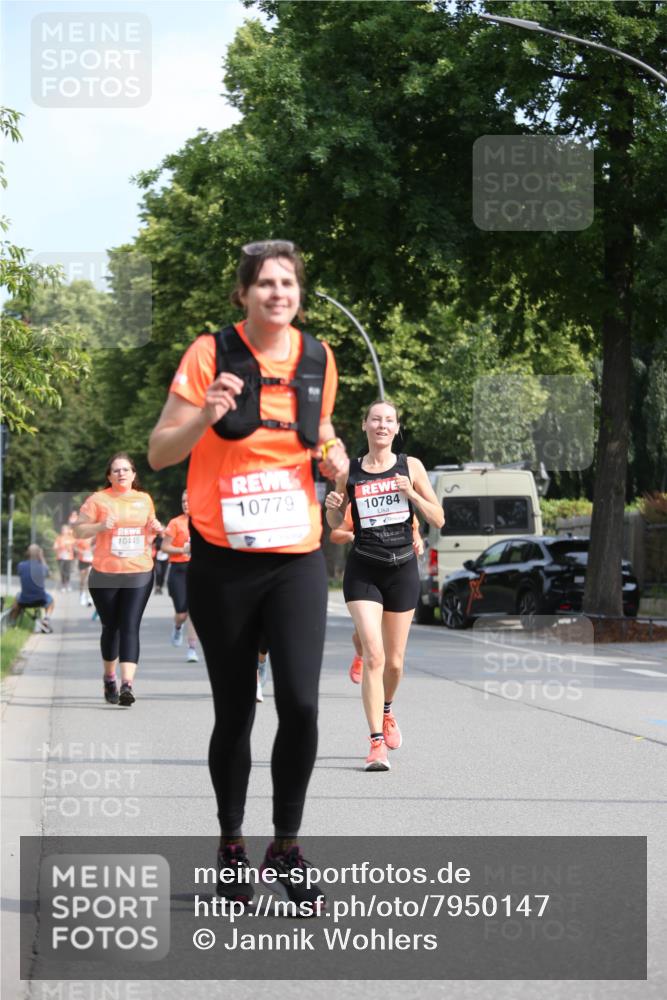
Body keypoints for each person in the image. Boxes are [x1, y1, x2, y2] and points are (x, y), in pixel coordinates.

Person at [148, 239, 348, 910]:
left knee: (301, 703)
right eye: (264, 283)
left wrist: (334, 461)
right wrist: (205, 414)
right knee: (234, 711)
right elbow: (158, 452)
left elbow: (320, 440)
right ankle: (231, 844)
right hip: (222, 560)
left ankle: (285, 845)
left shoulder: (319, 357)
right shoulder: (209, 354)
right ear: (243, 294)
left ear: (298, 291)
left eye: (287, 282)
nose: (276, 293)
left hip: (295, 557)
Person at [325, 399, 444, 772]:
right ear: (365, 425)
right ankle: (376, 743)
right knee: (374, 656)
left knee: (394, 662)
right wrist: (331, 505)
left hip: (402, 569)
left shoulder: (412, 466)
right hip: (363, 570)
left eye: (388, 420)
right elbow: (334, 522)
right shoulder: (352, 471)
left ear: (396, 428)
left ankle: (387, 710)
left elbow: (438, 517)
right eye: (375, 419)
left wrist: (412, 494)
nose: (382, 425)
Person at [73, 453, 162, 707]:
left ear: (134, 475)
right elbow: (78, 530)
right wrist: (100, 526)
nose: (121, 473)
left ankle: (127, 685)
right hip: (105, 573)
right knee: (111, 628)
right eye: (116, 470)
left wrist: (154, 529)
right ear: (109, 476)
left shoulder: (144, 499)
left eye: (126, 469)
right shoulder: (98, 500)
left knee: (130, 625)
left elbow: (147, 534)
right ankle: (109, 677)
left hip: (139, 571)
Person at [329, 502, 424, 684]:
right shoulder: (358, 503)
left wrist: (417, 540)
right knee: (363, 636)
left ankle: (381, 694)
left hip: (397, 575)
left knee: (391, 655)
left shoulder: (398, 501)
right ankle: (360, 655)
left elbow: (413, 529)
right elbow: (335, 534)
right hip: (366, 573)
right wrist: (351, 535)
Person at [162, 490, 199, 663]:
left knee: (194, 611)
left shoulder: (204, 522)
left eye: (189, 501)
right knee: (182, 613)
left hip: (197, 569)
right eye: (183, 501)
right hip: (178, 569)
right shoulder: (175, 523)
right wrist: (182, 550)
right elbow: (164, 547)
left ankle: (192, 649)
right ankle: (177, 626)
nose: (185, 504)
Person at [11, 545, 55, 632]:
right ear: (39, 554)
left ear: (28, 553)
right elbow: (49, 575)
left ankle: (12, 622)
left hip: (24, 600)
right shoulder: (43, 566)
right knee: (51, 601)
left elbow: (20, 573)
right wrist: (42, 558)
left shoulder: (21, 565)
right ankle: (46, 619)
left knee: (17, 598)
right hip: (41, 599)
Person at [53, 525, 75, 591]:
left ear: (68, 530)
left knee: (67, 571)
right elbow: (54, 547)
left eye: (65, 529)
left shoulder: (71, 538)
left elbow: (74, 545)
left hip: (68, 557)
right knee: (62, 572)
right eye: (63, 529)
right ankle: (63, 584)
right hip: (60, 557)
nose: (64, 531)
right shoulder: (58, 538)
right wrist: (60, 547)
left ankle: (67, 584)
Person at [75, 535, 94, 606]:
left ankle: (89, 597)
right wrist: (81, 551)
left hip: (91, 561)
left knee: (89, 580)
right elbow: (74, 547)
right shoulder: (81, 538)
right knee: (82, 581)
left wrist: (93, 550)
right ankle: (82, 595)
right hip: (82, 561)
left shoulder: (94, 537)